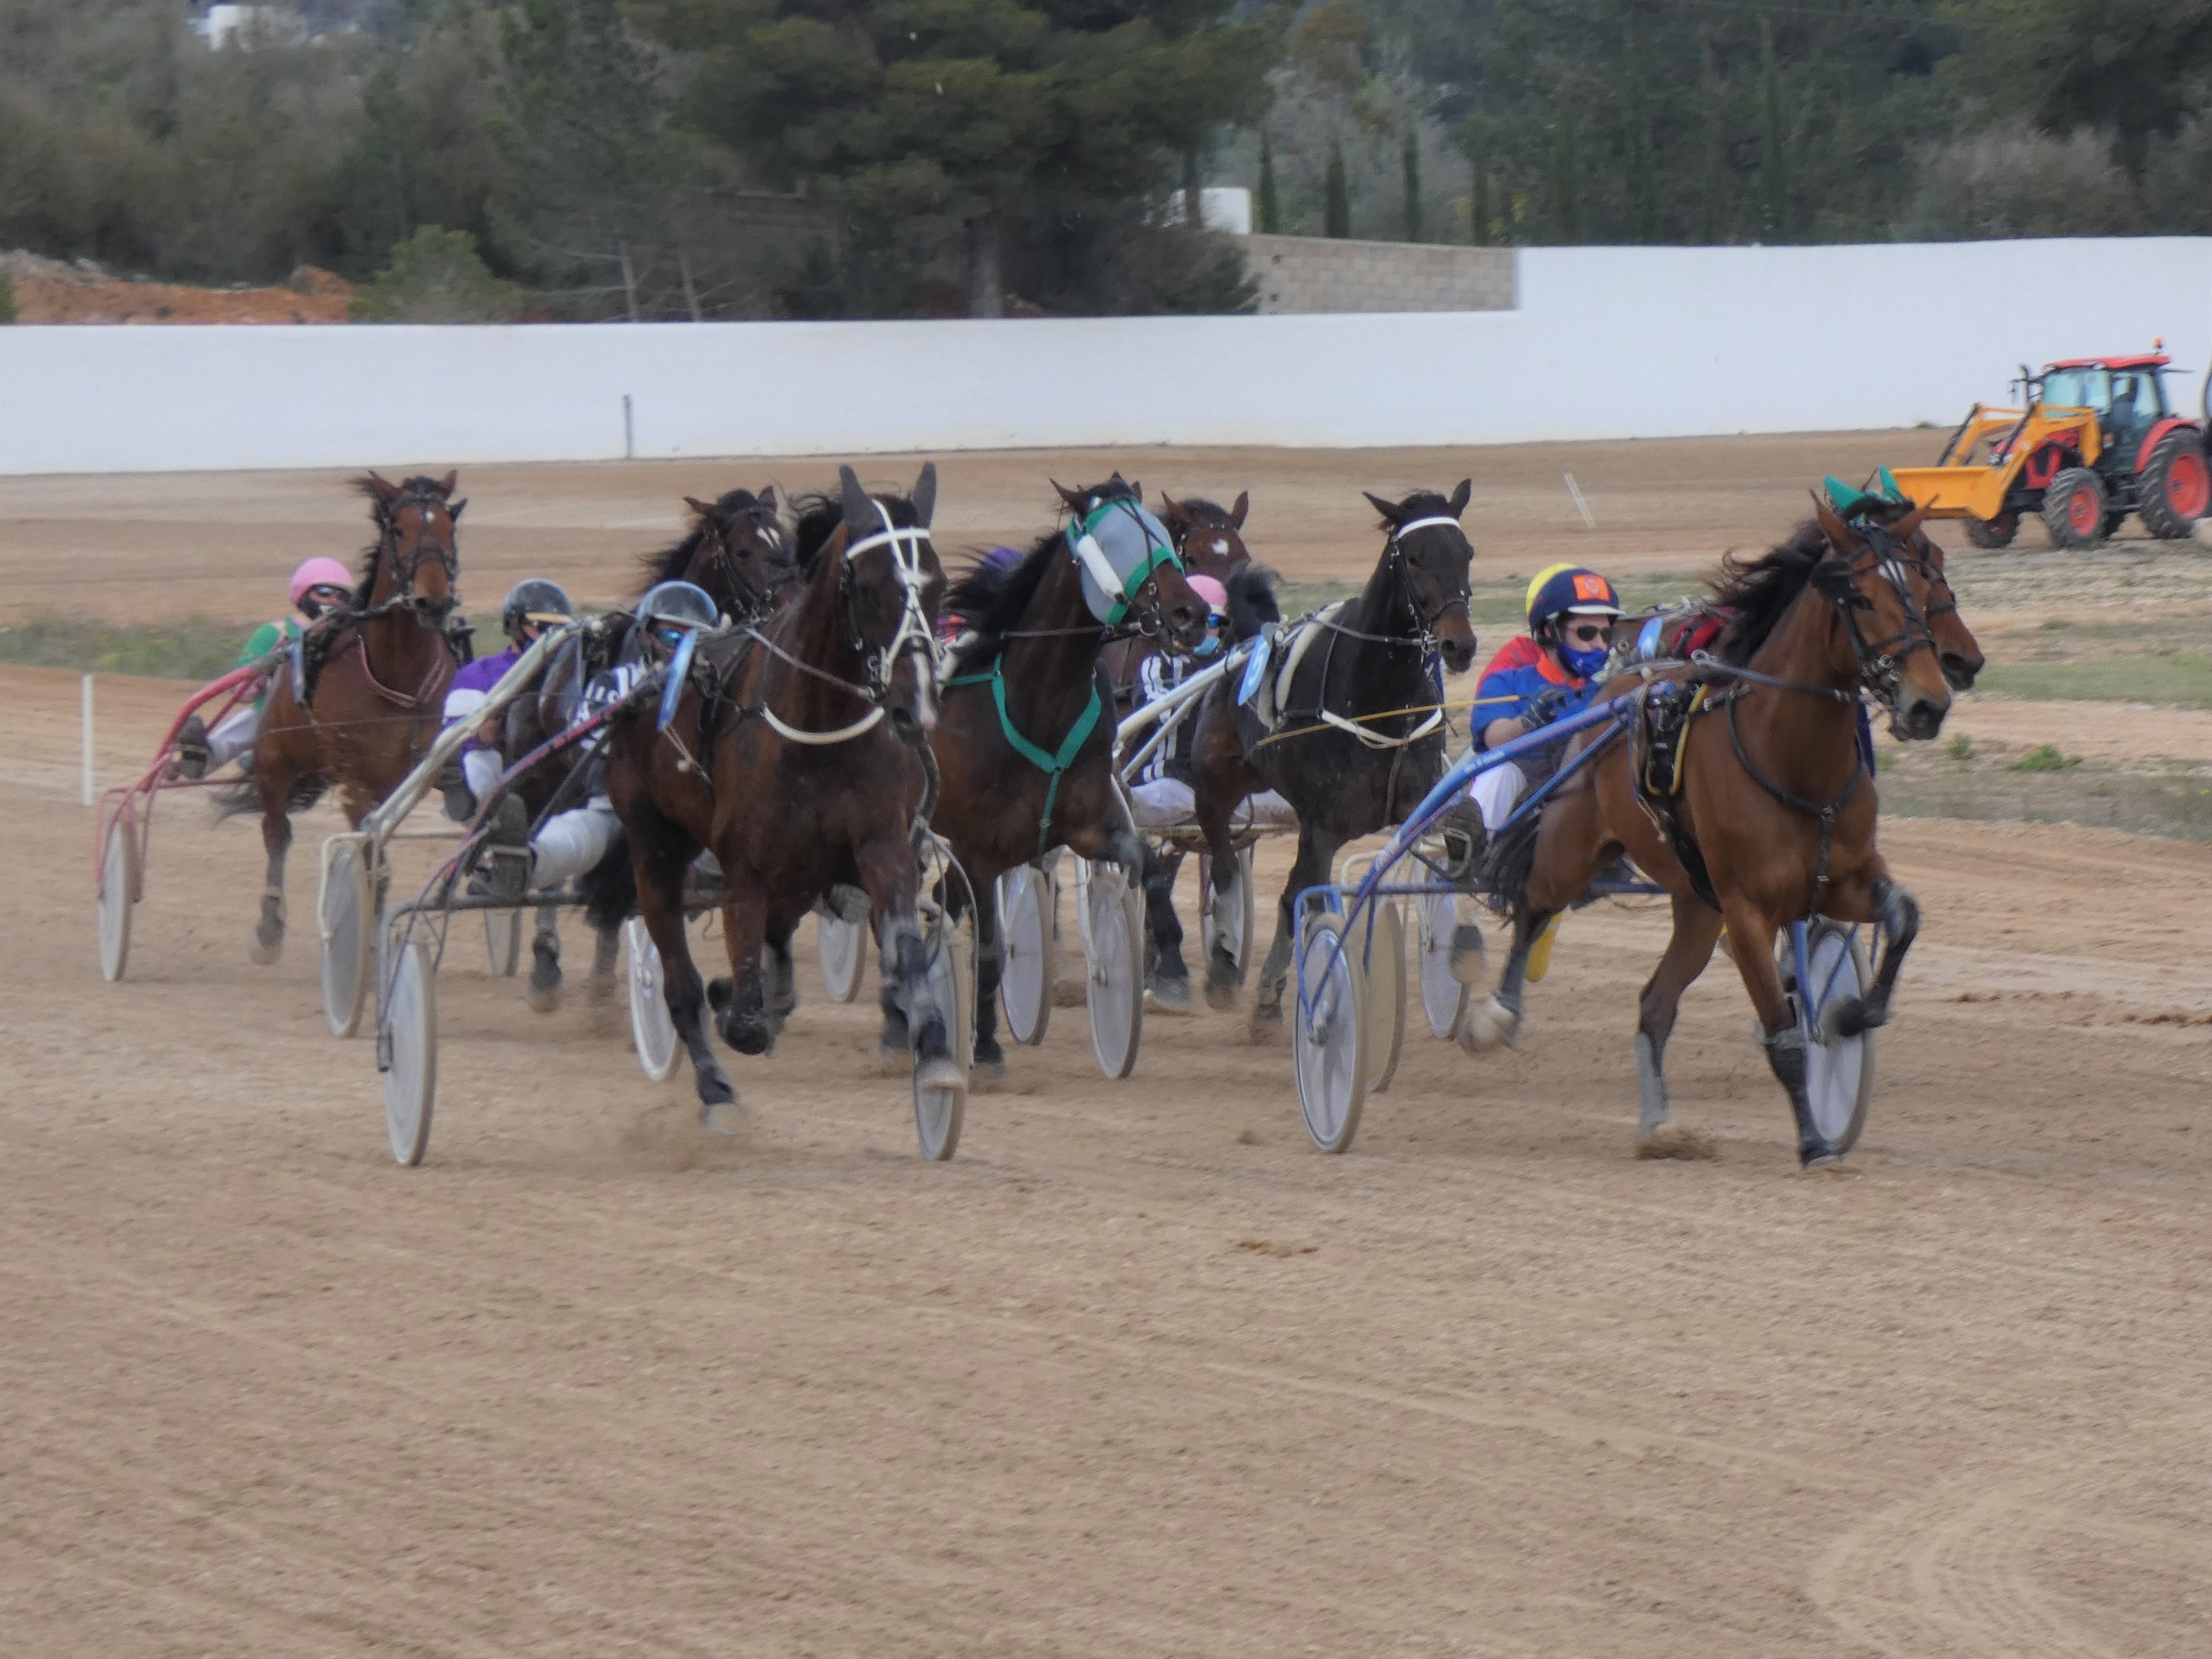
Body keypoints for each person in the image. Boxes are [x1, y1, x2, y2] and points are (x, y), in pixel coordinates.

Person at [474, 580, 718, 900]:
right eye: (673, 638)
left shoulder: (717, 697)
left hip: (694, 815)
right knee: (583, 833)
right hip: (619, 811)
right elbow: (589, 756)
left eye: (695, 641)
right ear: (645, 634)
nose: (682, 651)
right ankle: (524, 866)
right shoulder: (613, 684)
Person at [1461, 562, 1623, 836]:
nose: (1599, 644)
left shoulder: (1614, 688)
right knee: (1500, 772)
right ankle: (1476, 857)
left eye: (1605, 634)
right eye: (1586, 633)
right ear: (1550, 632)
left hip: (1591, 807)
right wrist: (1528, 722)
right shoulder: (1505, 682)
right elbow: (1494, 739)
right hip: (1522, 802)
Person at [173, 557, 354, 779]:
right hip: (278, 717)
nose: (333, 601)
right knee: (256, 718)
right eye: (325, 592)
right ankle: (207, 756)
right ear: (303, 594)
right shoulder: (277, 633)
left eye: (342, 596)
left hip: (335, 718)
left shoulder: (351, 639)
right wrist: (262, 673)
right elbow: (243, 691)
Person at [437, 578, 574, 820]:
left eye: (559, 628)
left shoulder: (571, 675)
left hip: (561, 769)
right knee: (481, 760)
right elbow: (453, 737)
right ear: (514, 625)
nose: (551, 636)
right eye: (539, 627)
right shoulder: (478, 674)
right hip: (499, 769)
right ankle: (492, 819)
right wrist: (482, 736)